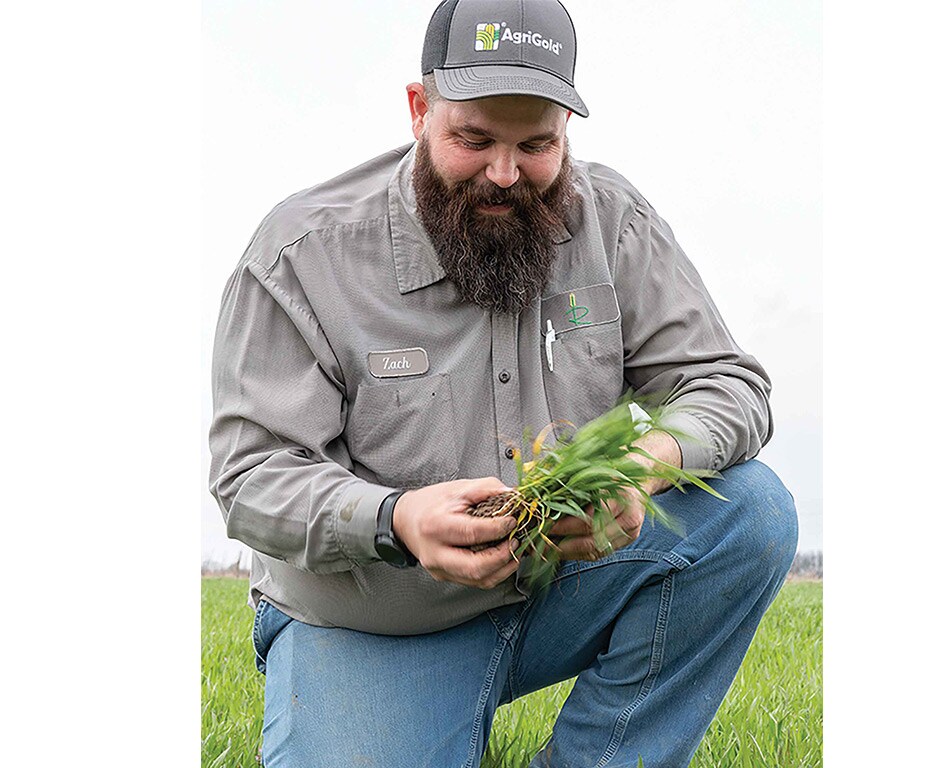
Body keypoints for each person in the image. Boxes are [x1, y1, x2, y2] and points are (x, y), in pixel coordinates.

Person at [209, 0, 798, 765]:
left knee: (750, 512)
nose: (504, 173)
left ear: (566, 129)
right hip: (377, 621)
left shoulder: (610, 220)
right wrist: (398, 520)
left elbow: (726, 383)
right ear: (420, 110)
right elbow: (251, 475)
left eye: (536, 144)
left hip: (559, 579)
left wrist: (642, 470)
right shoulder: (303, 254)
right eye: (474, 138)